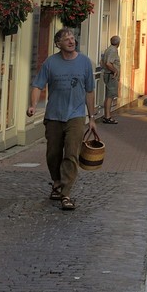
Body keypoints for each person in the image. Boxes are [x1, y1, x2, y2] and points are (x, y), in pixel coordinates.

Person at [27, 27, 96, 211]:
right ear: (58, 44)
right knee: (53, 154)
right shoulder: (50, 63)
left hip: (76, 116)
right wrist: (33, 105)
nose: (71, 41)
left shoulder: (85, 63)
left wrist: (92, 117)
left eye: (72, 38)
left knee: (71, 154)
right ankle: (56, 182)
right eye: (67, 39)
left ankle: (66, 193)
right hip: (54, 116)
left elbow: (89, 91)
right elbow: (37, 85)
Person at [97, 35, 121, 124]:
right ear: (118, 43)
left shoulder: (108, 49)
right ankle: (107, 116)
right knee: (110, 96)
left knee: (108, 96)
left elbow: (102, 62)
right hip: (111, 75)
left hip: (108, 74)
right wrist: (115, 71)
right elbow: (108, 63)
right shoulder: (113, 50)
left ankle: (107, 115)